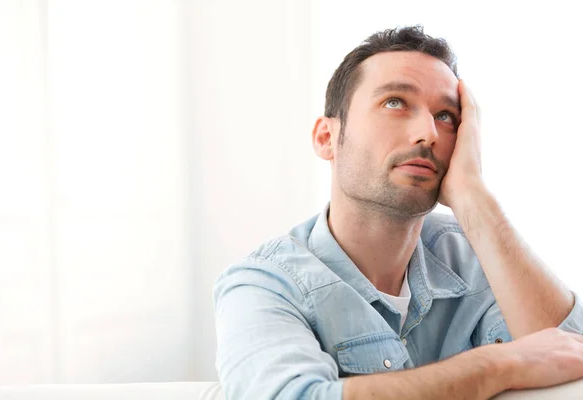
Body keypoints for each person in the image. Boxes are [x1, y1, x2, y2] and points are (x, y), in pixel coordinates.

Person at [213, 26, 583, 399]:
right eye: (395, 102)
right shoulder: (265, 284)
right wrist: (495, 365)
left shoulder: (474, 254)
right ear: (327, 139)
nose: (428, 133)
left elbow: (570, 357)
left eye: (446, 116)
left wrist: (474, 197)